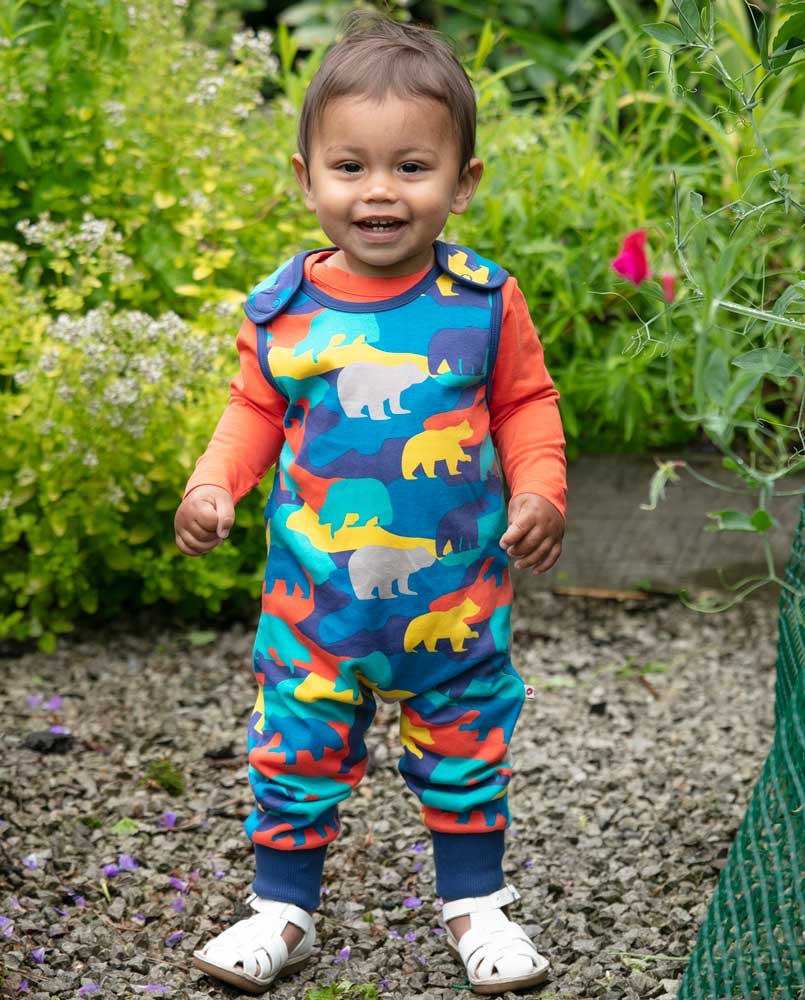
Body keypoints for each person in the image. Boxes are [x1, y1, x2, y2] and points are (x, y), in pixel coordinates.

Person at [174, 11, 567, 995]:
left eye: (411, 166)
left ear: (462, 182)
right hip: (317, 607)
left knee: (466, 744)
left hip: (453, 598)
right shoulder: (284, 309)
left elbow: (525, 402)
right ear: (305, 177)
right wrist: (216, 479)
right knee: (294, 748)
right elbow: (254, 407)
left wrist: (541, 487)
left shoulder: (481, 302)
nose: (379, 191)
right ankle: (281, 908)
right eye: (350, 166)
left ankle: (477, 905)